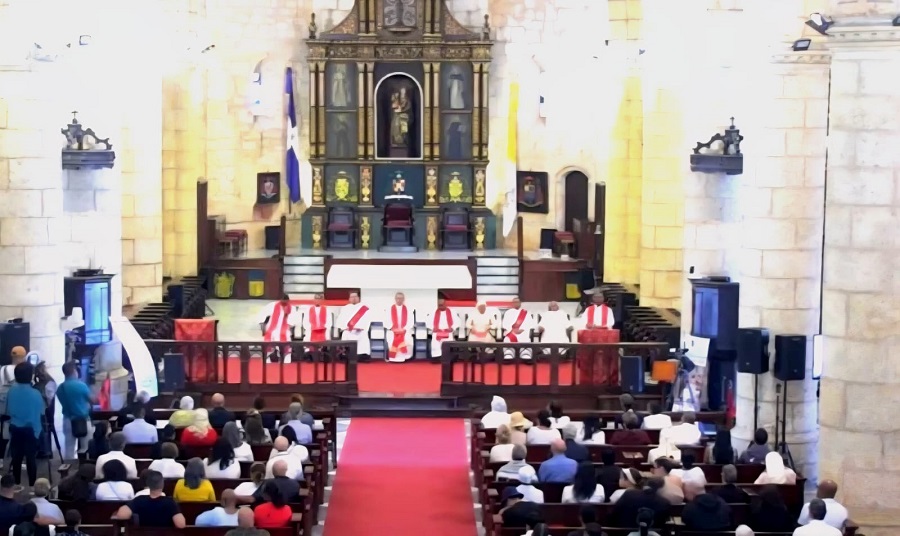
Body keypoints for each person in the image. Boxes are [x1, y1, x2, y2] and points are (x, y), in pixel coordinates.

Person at [6, 363, 42, 485]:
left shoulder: (11, 391)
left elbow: (8, 411)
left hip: (15, 429)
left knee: (16, 458)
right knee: (31, 459)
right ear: (30, 375)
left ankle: (16, 485)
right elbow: (41, 412)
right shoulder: (36, 393)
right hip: (31, 430)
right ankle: (32, 486)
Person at [116, 470, 186, 528]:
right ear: (162, 484)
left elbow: (121, 515)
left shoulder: (139, 500)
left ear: (148, 484)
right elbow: (181, 525)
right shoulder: (170, 503)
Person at [55, 360, 95, 461]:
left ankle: (69, 467)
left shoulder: (60, 388)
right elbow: (92, 400)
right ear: (74, 371)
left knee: (69, 449)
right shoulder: (81, 385)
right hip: (83, 420)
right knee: (85, 448)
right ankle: (85, 466)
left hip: (68, 420)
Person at [258, 294, 300, 362]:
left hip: (285, 329)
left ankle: (286, 358)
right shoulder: (272, 305)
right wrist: (263, 327)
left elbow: (293, 321)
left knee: (285, 336)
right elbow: (262, 315)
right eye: (282, 301)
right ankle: (267, 358)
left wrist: (289, 327)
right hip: (271, 328)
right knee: (269, 337)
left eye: (285, 302)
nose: (283, 303)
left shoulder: (292, 308)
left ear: (288, 301)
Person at [336, 292, 371, 360]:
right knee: (345, 334)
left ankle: (362, 355)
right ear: (349, 299)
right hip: (348, 330)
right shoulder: (345, 308)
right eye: (352, 297)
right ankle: (346, 354)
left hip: (360, 331)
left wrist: (360, 327)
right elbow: (340, 320)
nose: (354, 298)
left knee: (363, 336)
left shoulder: (364, 308)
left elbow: (367, 319)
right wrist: (345, 327)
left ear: (359, 298)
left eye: (355, 297)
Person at [385, 292, 414, 362]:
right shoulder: (389, 309)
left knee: (408, 339)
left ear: (403, 299)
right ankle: (393, 358)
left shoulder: (408, 309)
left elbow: (411, 321)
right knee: (391, 338)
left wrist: (404, 329)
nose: (399, 300)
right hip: (393, 331)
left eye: (401, 298)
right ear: (395, 299)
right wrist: (392, 328)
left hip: (404, 330)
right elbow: (386, 320)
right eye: (398, 298)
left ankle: (405, 357)